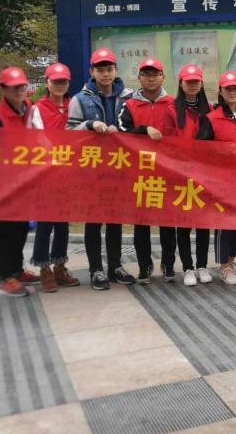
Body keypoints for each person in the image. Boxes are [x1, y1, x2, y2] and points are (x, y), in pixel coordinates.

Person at [66, 47, 135, 291]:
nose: (105, 74)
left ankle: (115, 266)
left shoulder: (129, 97)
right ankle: (96, 269)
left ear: (115, 70)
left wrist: (122, 131)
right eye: (100, 69)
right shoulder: (79, 99)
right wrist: (89, 124)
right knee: (93, 221)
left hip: (119, 167)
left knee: (115, 219)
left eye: (109, 68)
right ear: (91, 71)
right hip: (92, 169)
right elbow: (68, 132)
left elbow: (135, 128)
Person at [117, 58, 176, 284]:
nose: (151, 78)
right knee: (141, 223)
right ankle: (144, 265)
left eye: (155, 74)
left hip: (167, 173)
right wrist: (144, 130)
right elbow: (122, 132)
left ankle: (168, 264)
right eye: (146, 74)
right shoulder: (129, 105)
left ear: (163, 77)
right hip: (139, 174)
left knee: (168, 222)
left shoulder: (173, 104)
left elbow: (181, 134)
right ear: (139, 78)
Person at [29, 62, 80, 292]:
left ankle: (60, 266)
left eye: (63, 81)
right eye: (55, 81)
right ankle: (44, 268)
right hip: (46, 173)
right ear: (47, 83)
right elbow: (38, 139)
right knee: (45, 222)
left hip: (68, 173)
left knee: (62, 222)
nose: (60, 85)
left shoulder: (74, 105)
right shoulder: (38, 109)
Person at [0, 67, 37, 298]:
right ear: (3, 89)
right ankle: (5, 276)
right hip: (2, 184)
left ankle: (17, 269)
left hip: (25, 181)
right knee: (4, 230)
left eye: (22, 86)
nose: (19, 91)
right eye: (13, 87)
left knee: (20, 227)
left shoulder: (29, 110)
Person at [167, 63, 214, 286]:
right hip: (180, 174)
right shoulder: (171, 110)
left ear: (201, 83)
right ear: (181, 83)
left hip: (204, 175)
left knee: (203, 223)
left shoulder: (210, 110)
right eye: (189, 82)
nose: (192, 85)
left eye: (196, 82)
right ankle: (187, 267)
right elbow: (167, 142)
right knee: (184, 224)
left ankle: (202, 265)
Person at [207, 71, 236, 286]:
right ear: (221, 92)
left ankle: (232, 261)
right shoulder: (211, 118)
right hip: (221, 180)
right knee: (224, 223)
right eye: (227, 89)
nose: (232, 92)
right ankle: (223, 266)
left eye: (235, 88)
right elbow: (203, 149)